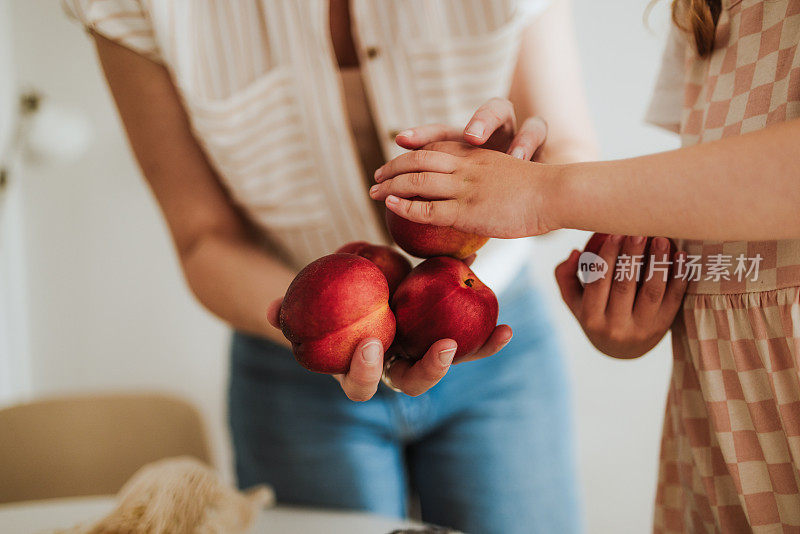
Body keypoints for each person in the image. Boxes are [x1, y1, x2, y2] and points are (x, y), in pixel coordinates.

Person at [63, 0, 596, 532]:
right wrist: (329, 327)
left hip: (496, 358)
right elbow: (203, 237)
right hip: (293, 369)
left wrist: (523, 180)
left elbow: (570, 153)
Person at [371, 0, 800, 529]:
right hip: (721, 411)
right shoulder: (702, 9)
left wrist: (545, 193)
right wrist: (641, 307)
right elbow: (715, 197)